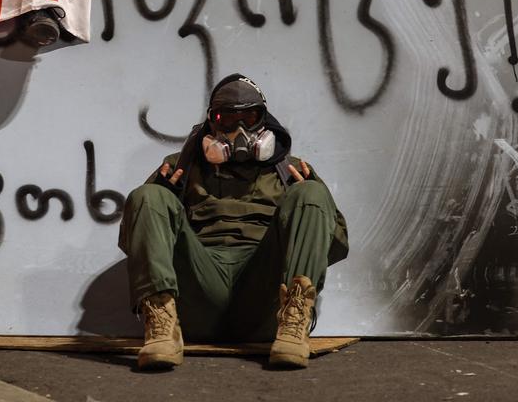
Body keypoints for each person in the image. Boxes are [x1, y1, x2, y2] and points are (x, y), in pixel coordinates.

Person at [118, 74, 348, 370]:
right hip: (197, 295)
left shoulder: (292, 173)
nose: (238, 129)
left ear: (263, 120)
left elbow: (337, 245)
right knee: (148, 196)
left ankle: (294, 326)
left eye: (249, 116)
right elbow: (132, 239)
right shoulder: (180, 168)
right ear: (211, 121)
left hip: (265, 301)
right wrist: (167, 197)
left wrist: (316, 202)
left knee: (312, 193)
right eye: (225, 118)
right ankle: (161, 326)